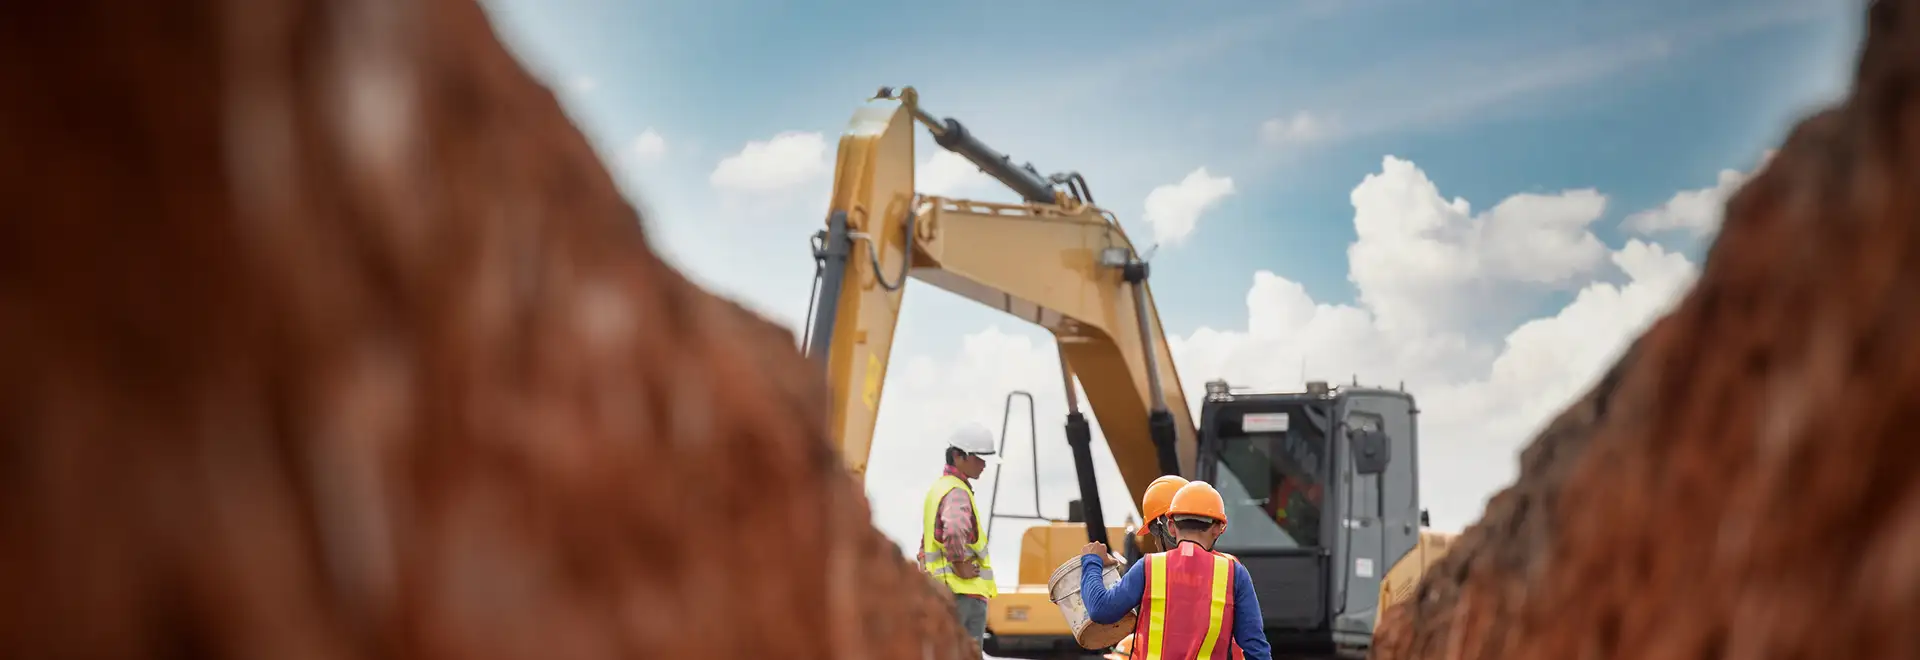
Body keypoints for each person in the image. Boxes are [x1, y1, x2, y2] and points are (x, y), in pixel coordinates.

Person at [1075, 481, 1272, 660]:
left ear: (1170, 526)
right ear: (1219, 528)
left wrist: (1092, 562)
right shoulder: (1234, 573)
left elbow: (1101, 610)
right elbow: (1255, 649)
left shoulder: (1149, 566)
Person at [918, 422, 998, 644]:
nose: (983, 464)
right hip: (963, 595)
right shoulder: (957, 492)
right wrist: (960, 563)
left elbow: (926, 544)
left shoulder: (940, 488)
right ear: (958, 456)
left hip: (945, 594)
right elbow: (953, 531)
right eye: (978, 458)